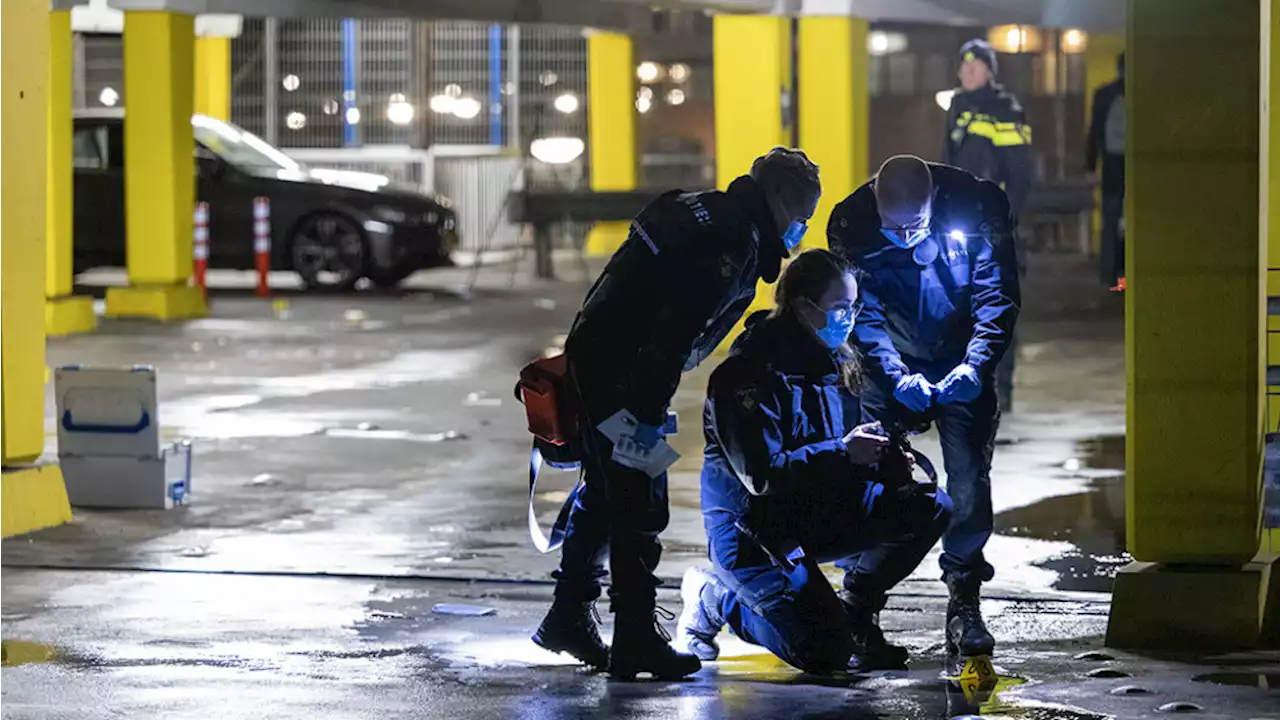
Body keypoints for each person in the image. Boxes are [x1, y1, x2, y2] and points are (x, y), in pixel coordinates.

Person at [532, 147, 822, 681]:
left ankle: (568, 617)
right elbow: (672, 334)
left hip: (601, 362)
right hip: (624, 377)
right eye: (801, 217)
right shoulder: (731, 241)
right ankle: (636, 637)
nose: (799, 229)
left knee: (604, 492)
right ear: (778, 198)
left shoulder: (699, 208)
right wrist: (646, 411)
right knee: (639, 497)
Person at [676, 249, 953, 675]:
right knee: (824, 652)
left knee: (930, 504)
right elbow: (761, 476)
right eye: (841, 307)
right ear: (805, 307)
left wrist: (882, 456)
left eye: (854, 306)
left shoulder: (837, 360)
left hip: (812, 510)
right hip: (755, 533)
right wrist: (845, 451)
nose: (850, 317)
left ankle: (856, 611)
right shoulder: (747, 375)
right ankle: (716, 599)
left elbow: (841, 451)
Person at [827, 155, 1020, 665]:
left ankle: (964, 595)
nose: (905, 236)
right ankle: (860, 603)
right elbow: (857, 312)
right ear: (875, 203)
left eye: (916, 225)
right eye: (895, 227)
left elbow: (997, 295)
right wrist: (893, 375)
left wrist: (976, 368)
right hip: (890, 360)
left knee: (969, 477)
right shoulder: (851, 224)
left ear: (934, 202)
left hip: (962, 356)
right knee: (872, 475)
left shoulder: (980, 207)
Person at [945, 38, 1031, 410]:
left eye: (977, 65)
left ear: (990, 71)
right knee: (955, 308)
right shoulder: (957, 106)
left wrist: (1005, 221)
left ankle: (1001, 390)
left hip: (990, 227)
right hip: (955, 224)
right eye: (964, 66)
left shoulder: (1005, 109)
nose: (968, 71)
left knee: (996, 307)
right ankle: (962, 388)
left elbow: (1020, 173)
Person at [1086, 52, 1126, 290]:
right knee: (1116, 223)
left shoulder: (1105, 96)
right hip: (1124, 168)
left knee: (1111, 223)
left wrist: (1091, 165)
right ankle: (1117, 275)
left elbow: (1094, 134)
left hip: (1112, 167)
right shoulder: (1140, 96)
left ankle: (1112, 276)